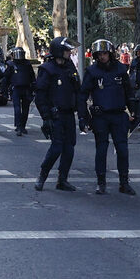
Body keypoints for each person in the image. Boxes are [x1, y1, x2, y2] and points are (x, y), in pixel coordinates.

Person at [80, 39, 138, 195]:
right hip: (101, 116)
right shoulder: (92, 71)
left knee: (122, 150)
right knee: (101, 150)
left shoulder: (120, 69)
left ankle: (124, 183)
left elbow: (128, 91)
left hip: (118, 115)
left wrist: (133, 112)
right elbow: (82, 95)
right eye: (99, 54)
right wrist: (84, 117)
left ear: (110, 53)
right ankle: (101, 182)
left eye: (105, 53)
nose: (102, 56)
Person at [33, 38, 82, 192]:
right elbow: (40, 95)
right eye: (67, 50)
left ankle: (62, 180)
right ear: (59, 51)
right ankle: (42, 176)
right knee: (56, 148)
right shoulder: (47, 69)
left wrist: (82, 116)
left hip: (69, 114)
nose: (69, 53)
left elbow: (78, 90)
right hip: (55, 115)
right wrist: (46, 117)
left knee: (69, 148)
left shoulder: (70, 67)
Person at [5, 46, 38, 135]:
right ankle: (20, 126)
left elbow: (32, 77)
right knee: (21, 108)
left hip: (24, 88)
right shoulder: (13, 64)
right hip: (18, 88)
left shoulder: (25, 64)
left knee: (22, 108)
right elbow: (7, 78)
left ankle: (20, 126)